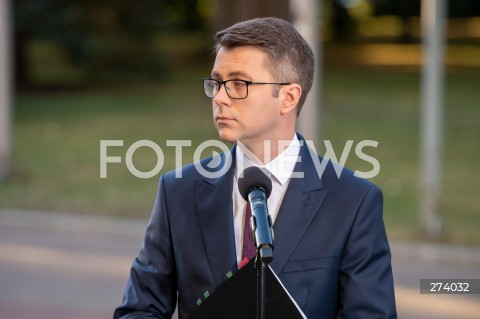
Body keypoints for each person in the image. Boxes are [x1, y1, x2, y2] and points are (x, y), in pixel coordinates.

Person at [114, 17, 397, 319]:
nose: (220, 98)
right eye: (217, 82)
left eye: (238, 84)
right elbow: (139, 311)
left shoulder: (353, 202)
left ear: (288, 97)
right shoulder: (178, 191)